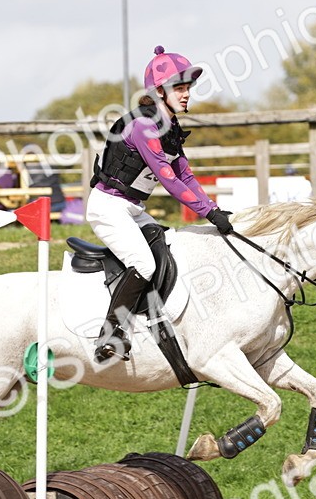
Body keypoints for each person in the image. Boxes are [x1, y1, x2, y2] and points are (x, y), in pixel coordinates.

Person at [86, 45, 233, 363]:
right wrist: (207, 212)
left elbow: (187, 176)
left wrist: (215, 210)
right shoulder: (144, 127)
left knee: (170, 249)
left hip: (133, 209)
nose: (186, 94)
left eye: (187, 88)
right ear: (160, 91)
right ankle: (110, 335)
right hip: (108, 207)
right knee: (144, 263)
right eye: (179, 88)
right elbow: (169, 180)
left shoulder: (169, 129)